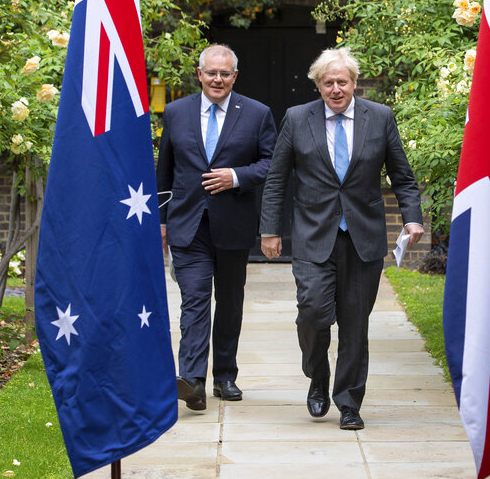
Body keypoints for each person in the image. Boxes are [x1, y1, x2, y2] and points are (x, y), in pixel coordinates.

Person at [259, 48, 424, 430]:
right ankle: (317, 374)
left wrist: (412, 219)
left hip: (363, 238)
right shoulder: (298, 119)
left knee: (355, 324)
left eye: (342, 82)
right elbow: (277, 178)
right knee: (314, 313)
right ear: (318, 85)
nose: (336, 89)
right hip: (314, 235)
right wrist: (270, 230)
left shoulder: (379, 117)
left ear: (354, 83)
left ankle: (349, 402)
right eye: (328, 82)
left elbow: (402, 174)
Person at [157, 44, 277, 410]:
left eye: (225, 74)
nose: (218, 79)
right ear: (200, 74)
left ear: (235, 76)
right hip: (187, 225)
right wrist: (161, 222)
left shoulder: (257, 114)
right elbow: (165, 170)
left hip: (233, 225)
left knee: (229, 303)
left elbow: (272, 164)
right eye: (212, 73)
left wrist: (236, 176)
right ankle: (192, 380)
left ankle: (224, 375)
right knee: (193, 301)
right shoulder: (176, 113)